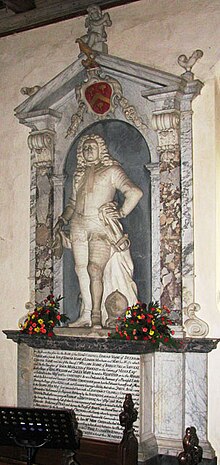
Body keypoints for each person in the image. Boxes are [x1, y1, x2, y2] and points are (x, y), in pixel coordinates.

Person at [54, 134, 143, 328]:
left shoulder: (112, 170)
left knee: (94, 269)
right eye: (84, 148)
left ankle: (96, 315)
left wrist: (120, 212)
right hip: (78, 225)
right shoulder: (79, 174)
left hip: (100, 226)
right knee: (80, 270)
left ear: (100, 149)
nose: (87, 151)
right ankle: (86, 314)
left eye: (91, 147)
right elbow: (72, 203)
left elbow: (134, 192)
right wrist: (62, 220)